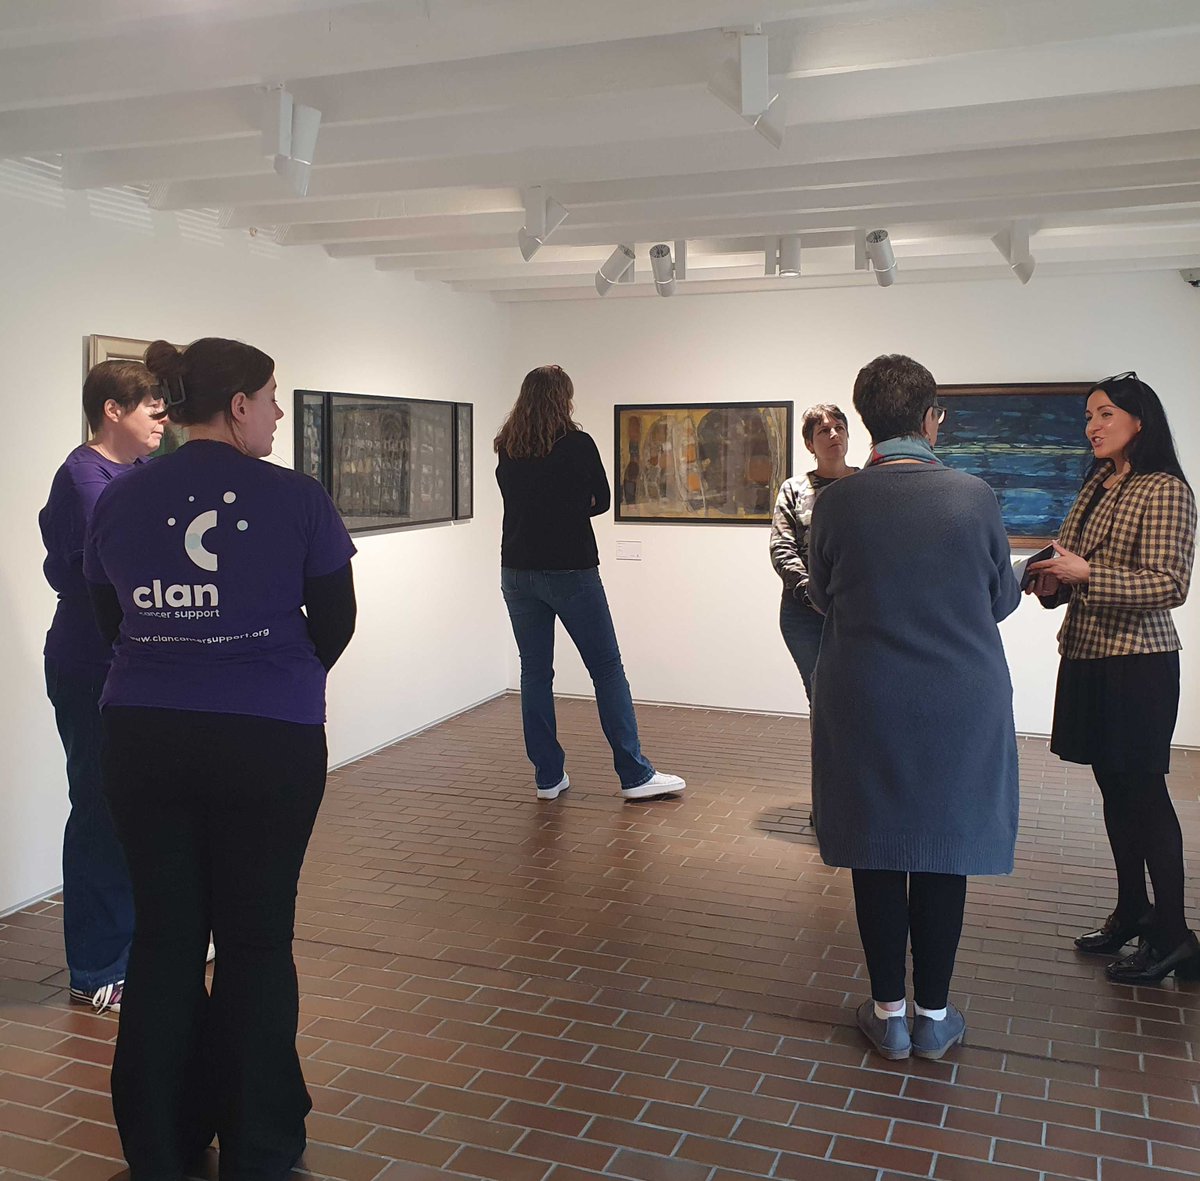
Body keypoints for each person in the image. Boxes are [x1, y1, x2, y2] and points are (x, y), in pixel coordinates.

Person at [84, 338, 357, 1181]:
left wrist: (175, 655)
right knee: (255, 941)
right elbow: (337, 619)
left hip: (141, 733)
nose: (277, 413)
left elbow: (110, 616)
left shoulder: (122, 499)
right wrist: (270, 671)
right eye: (272, 399)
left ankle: (159, 1149)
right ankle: (259, 1147)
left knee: (165, 941)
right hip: (266, 739)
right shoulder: (298, 498)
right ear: (237, 404)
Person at [807, 354, 1020, 1061]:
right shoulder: (975, 495)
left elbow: (821, 592)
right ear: (932, 420)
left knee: (876, 848)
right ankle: (934, 1016)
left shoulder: (836, 501)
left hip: (863, 694)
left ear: (868, 421)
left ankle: (888, 1015)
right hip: (959, 698)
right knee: (942, 851)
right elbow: (997, 599)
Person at [1026, 371, 1198, 984]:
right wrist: (1050, 581)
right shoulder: (1099, 483)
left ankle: (1175, 935)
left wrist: (1087, 573)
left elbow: (1169, 585)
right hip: (1090, 654)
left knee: (1144, 796)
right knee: (1115, 792)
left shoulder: (1166, 490)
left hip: (1139, 665)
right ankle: (1132, 910)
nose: (1092, 426)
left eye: (1104, 414)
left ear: (1138, 420)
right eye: (1088, 417)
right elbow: (1073, 567)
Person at [495, 365, 684, 802]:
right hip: (571, 570)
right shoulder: (577, 444)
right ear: (564, 399)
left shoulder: (507, 448)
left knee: (535, 675)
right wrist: (574, 505)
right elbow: (601, 499)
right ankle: (634, 774)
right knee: (606, 670)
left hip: (517, 572)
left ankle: (547, 777)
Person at [39, 360, 165, 1015]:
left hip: (134, 660)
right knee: (98, 808)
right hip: (90, 661)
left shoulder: (139, 474)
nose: (161, 419)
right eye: (149, 407)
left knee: (136, 807)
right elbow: (127, 563)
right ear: (112, 411)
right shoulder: (84, 477)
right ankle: (96, 966)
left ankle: (136, 944)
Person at [769, 403, 858, 703]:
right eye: (824, 431)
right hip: (804, 613)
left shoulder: (866, 485)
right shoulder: (794, 489)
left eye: (840, 428)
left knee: (857, 694)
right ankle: (827, 752)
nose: (834, 435)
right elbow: (782, 548)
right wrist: (811, 594)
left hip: (856, 611)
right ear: (810, 443)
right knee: (820, 694)